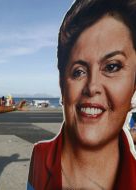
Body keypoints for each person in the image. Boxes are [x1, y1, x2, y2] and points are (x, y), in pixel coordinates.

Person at [28, 0, 136, 189]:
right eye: (78, 71)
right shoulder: (39, 155)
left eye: (112, 67)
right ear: (62, 85)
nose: (92, 87)